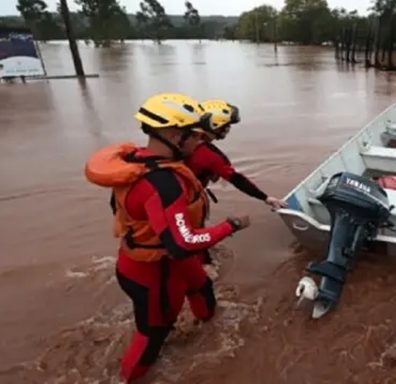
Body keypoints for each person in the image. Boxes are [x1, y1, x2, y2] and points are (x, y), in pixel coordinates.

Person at [84, 92, 251, 382]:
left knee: (202, 288)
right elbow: (182, 241)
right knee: (153, 334)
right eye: (195, 136)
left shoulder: (137, 161)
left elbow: (119, 209)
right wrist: (230, 226)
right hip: (152, 271)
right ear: (174, 134)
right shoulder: (163, 183)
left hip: (164, 261)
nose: (201, 142)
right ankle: (127, 379)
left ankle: (209, 333)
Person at [185, 99, 287, 211]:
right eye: (227, 125)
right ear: (215, 125)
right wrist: (265, 198)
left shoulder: (182, 141)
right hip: (187, 200)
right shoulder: (211, 156)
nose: (229, 129)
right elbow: (236, 179)